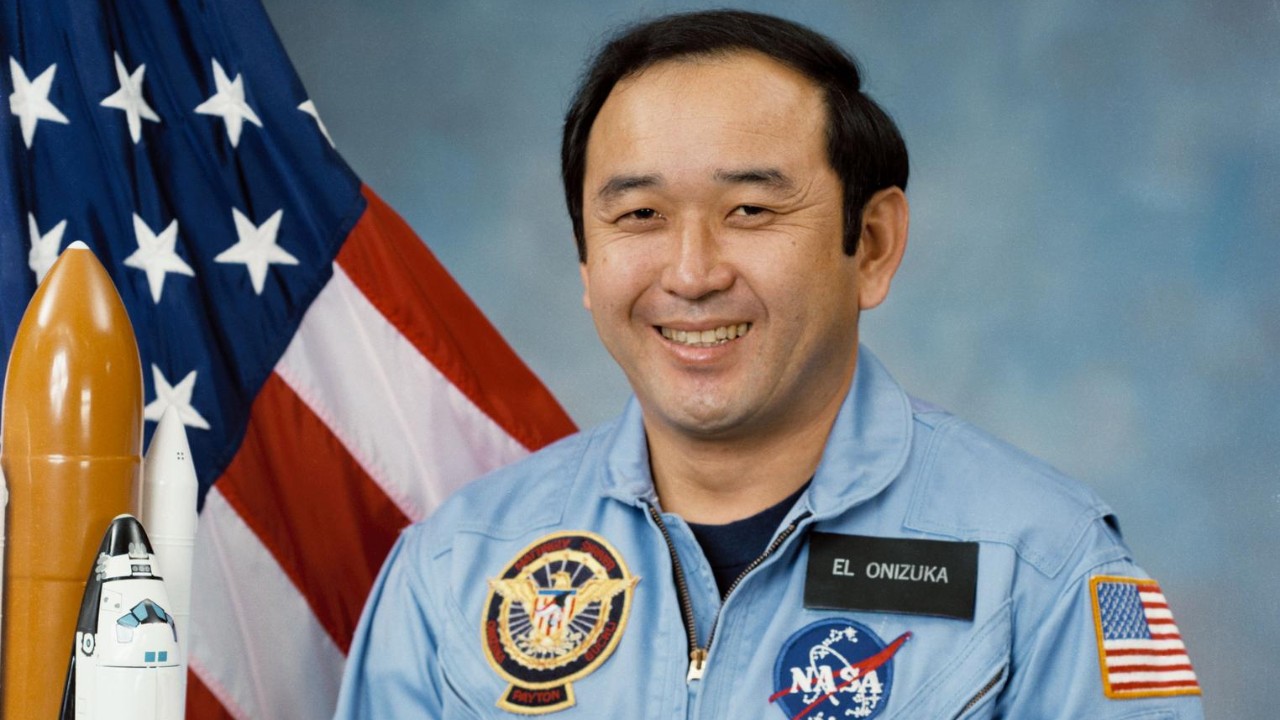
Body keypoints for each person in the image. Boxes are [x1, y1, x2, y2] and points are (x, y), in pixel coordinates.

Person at [335, 10, 1204, 719]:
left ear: (870, 245)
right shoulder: (455, 567)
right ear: (586, 265)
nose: (691, 273)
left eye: (749, 210)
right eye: (637, 216)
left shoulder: (1044, 569)